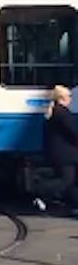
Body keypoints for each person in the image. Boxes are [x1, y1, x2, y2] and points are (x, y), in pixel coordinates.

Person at [44, 85, 78, 215]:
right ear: (62, 98)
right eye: (69, 96)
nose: (70, 98)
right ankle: (43, 194)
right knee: (67, 180)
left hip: (63, 153)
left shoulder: (56, 112)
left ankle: (73, 204)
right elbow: (73, 132)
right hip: (66, 154)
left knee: (71, 180)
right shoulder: (62, 113)